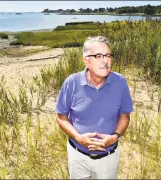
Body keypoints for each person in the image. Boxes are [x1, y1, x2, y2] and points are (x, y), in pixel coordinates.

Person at [55, 36, 133, 179]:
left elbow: (125, 115)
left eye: (108, 55)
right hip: (77, 156)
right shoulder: (71, 82)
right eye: (98, 56)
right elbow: (61, 117)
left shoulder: (120, 82)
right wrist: (78, 137)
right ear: (86, 60)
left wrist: (115, 137)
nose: (105, 61)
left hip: (108, 157)